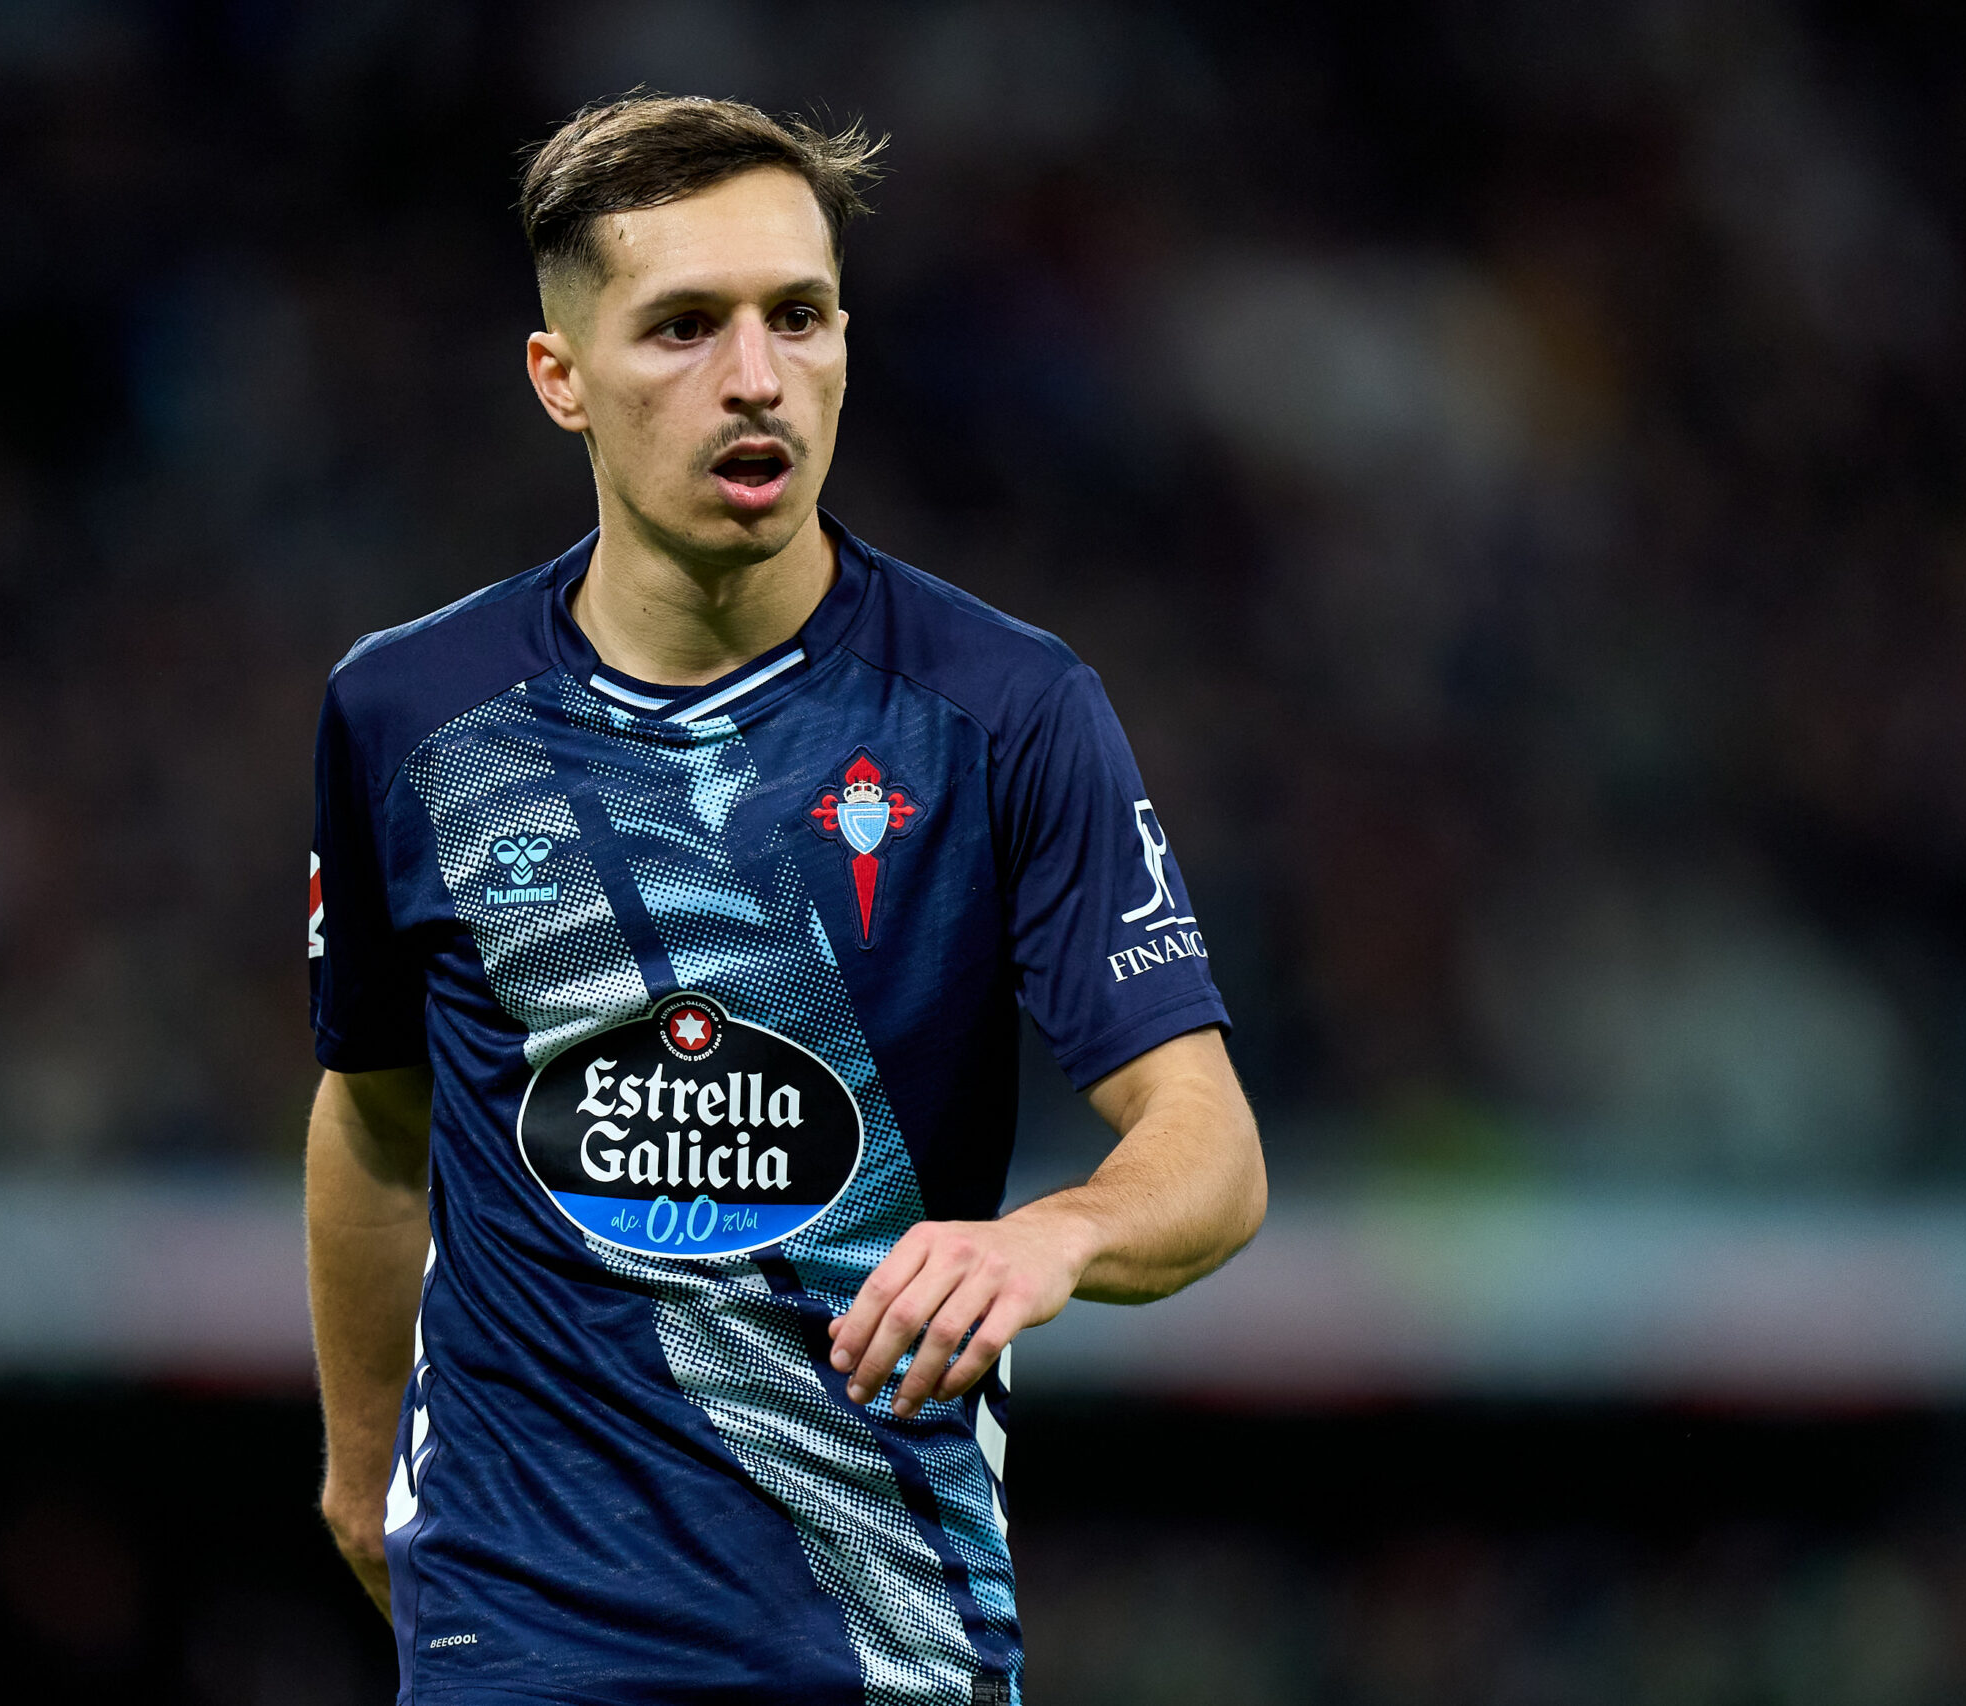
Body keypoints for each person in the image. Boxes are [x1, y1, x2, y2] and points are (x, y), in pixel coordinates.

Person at [305, 93, 1265, 1706]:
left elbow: (1211, 1145)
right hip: (518, 1632)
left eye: (798, 317)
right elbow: (375, 1120)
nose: (755, 377)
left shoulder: (1004, 712)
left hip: (886, 1637)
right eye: (684, 326)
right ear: (561, 377)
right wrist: (356, 1471)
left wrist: (1058, 1235)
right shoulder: (410, 715)